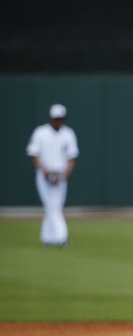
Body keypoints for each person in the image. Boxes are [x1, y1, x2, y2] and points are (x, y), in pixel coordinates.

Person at [26, 103, 79, 247]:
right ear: (51, 118)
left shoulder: (68, 133)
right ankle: (62, 237)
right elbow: (34, 154)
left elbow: (72, 157)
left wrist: (64, 175)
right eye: (56, 118)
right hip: (44, 175)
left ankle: (47, 238)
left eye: (61, 118)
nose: (58, 121)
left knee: (55, 206)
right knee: (51, 206)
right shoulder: (40, 132)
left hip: (60, 175)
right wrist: (45, 170)